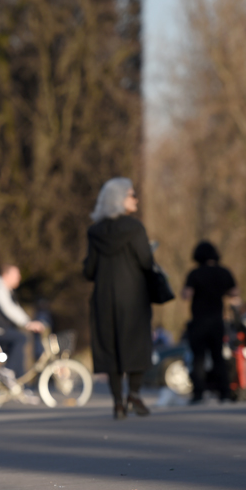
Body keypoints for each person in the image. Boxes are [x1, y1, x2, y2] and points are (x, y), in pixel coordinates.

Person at [83, 177, 153, 419]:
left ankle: (117, 402)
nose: (135, 199)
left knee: (109, 346)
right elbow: (146, 261)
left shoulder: (95, 232)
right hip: (133, 295)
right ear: (119, 199)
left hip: (104, 297)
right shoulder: (135, 228)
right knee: (137, 344)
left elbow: (89, 271)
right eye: (132, 195)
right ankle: (133, 394)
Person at [181, 241, 239, 404]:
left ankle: (199, 393)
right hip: (217, 321)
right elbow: (234, 293)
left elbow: (187, 294)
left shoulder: (195, 273)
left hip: (199, 321)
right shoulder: (223, 272)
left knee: (198, 358)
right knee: (218, 357)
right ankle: (224, 393)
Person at [0, 265, 45, 378]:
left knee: (17, 351)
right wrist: (27, 323)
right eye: (16, 275)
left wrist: (28, 321)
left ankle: (21, 386)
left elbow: (15, 308)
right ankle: (6, 371)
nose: (19, 277)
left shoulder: (6, 289)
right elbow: (8, 308)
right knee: (21, 338)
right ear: (6, 275)